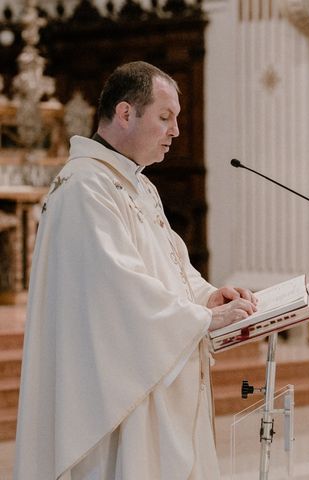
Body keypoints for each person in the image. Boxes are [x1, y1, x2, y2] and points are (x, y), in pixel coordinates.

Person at [13, 61, 258, 479]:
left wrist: (206, 297)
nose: (176, 131)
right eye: (165, 118)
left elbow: (170, 265)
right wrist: (204, 319)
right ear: (125, 113)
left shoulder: (137, 183)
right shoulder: (84, 187)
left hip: (155, 379)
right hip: (118, 394)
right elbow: (118, 292)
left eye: (177, 118)